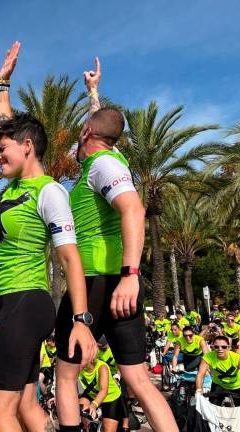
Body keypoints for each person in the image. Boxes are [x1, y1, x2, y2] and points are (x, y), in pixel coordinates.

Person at [56, 49, 179, 432]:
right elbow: (103, 129)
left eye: (82, 130)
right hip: (115, 284)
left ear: (88, 134)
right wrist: (95, 93)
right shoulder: (110, 160)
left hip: (97, 280)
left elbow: (133, 210)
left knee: (65, 376)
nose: (78, 135)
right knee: (139, 380)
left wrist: (130, 274)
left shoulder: (104, 165)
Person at [0, 41, 96, 432]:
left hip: (24, 303)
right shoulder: (15, 186)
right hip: (13, 304)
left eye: (3, 150)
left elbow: (70, 258)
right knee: (28, 406)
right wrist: (3, 83)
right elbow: (6, 128)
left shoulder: (48, 191)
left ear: (28, 147)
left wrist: (81, 320)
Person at [195, 336, 240, 432]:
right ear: (212, 347)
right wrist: (199, 390)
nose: (220, 349)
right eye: (216, 347)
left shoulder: (236, 358)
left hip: (238, 387)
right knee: (211, 414)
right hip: (219, 386)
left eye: (223, 347)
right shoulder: (208, 357)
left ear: (229, 347)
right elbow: (200, 374)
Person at [76, 358, 124, 432]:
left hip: (111, 398)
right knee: (77, 409)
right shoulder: (77, 367)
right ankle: (91, 423)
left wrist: (94, 405)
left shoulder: (102, 367)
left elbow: (103, 391)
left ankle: (100, 414)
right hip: (92, 394)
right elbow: (69, 383)